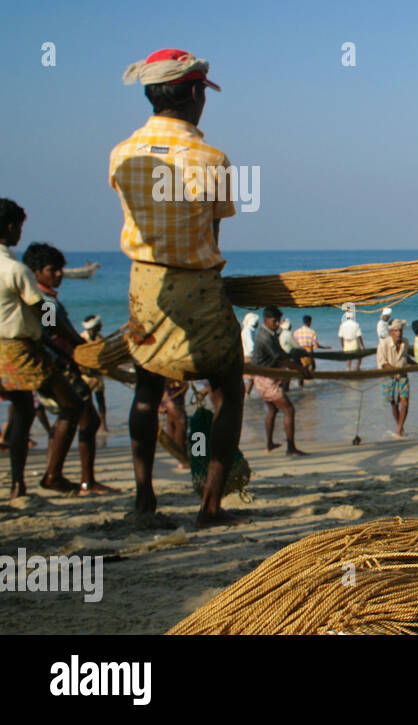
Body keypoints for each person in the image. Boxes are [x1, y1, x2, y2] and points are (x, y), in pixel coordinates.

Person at [112, 48, 251, 527]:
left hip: (144, 285)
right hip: (198, 285)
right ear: (194, 93)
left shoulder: (122, 153)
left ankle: (144, 500)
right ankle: (210, 507)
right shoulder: (211, 158)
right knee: (228, 390)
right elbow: (213, 233)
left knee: (147, 391)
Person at [2, 199, 85, 501]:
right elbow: (45, 315)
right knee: (72, 404)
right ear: (11, 227)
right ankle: (52, 475)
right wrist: (75, 344)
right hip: (19, 350)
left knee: (22, 414)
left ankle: (17, 485)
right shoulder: (16, 269)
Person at [25, 242, 113, 494]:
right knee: (84, 417)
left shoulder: (47, 298)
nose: (59, 275)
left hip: (61, 363)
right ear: (37, 272)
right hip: (60, 365)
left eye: (61, 270)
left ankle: (66, 475)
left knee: (78, 417)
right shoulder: (44, 302)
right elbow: (52, 333)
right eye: (53, 270)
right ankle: (69, 477)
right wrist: (75, 354)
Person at [249, 306, 310, 455]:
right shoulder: (264, 337)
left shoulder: (271, 333)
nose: (277, 324)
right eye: (274, 321)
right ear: (266, 320)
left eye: (278, 321)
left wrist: (293, 356)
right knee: (289, 409)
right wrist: (301, 370)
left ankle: (269, 444)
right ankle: (291, 448)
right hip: (266, 379)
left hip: (265, 377)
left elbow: (282, 353)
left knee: (272, 409)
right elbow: (280, 359)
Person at [376, 318, 412, 438]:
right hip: (389, 376)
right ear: (391, 332)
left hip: (402, 376)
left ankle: (399, 428)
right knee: (394, 404)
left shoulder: (405, 342)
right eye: (396, 331)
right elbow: (382, 362)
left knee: (405, 403)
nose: (399, 333)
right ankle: (400, 428)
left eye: (400, 330)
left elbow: (406, 357)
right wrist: (393, 369)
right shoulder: (384, 343)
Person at [80, 315, 110, 437]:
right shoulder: (82, 339)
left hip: (97, 374)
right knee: (88, 400)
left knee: (100, 399)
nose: (101, 327)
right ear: (94, 327)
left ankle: (104, 424)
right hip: (85, 375)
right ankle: (91, 423)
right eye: (99, 325)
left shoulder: (101, 339)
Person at [293, 314, 328, 380]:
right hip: (308, 351)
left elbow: (294, 343)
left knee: (301, 368)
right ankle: (308, 381)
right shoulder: (312, 332)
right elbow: (315, 344)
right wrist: (324, 347)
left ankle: (301, 384)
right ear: (309, 322)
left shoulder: (296, 332)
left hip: (298, 351)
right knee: (312, 367)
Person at [338, 306, 364, 371]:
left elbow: (341, 337)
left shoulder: (342, 325)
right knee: (360, 356)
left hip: (346, 344)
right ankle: (357, 368)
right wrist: (363, 345)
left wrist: (343, 346)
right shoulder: (355, 324)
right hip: (354, 344)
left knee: (349, 358)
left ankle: (348, 369)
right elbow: (359, 336)